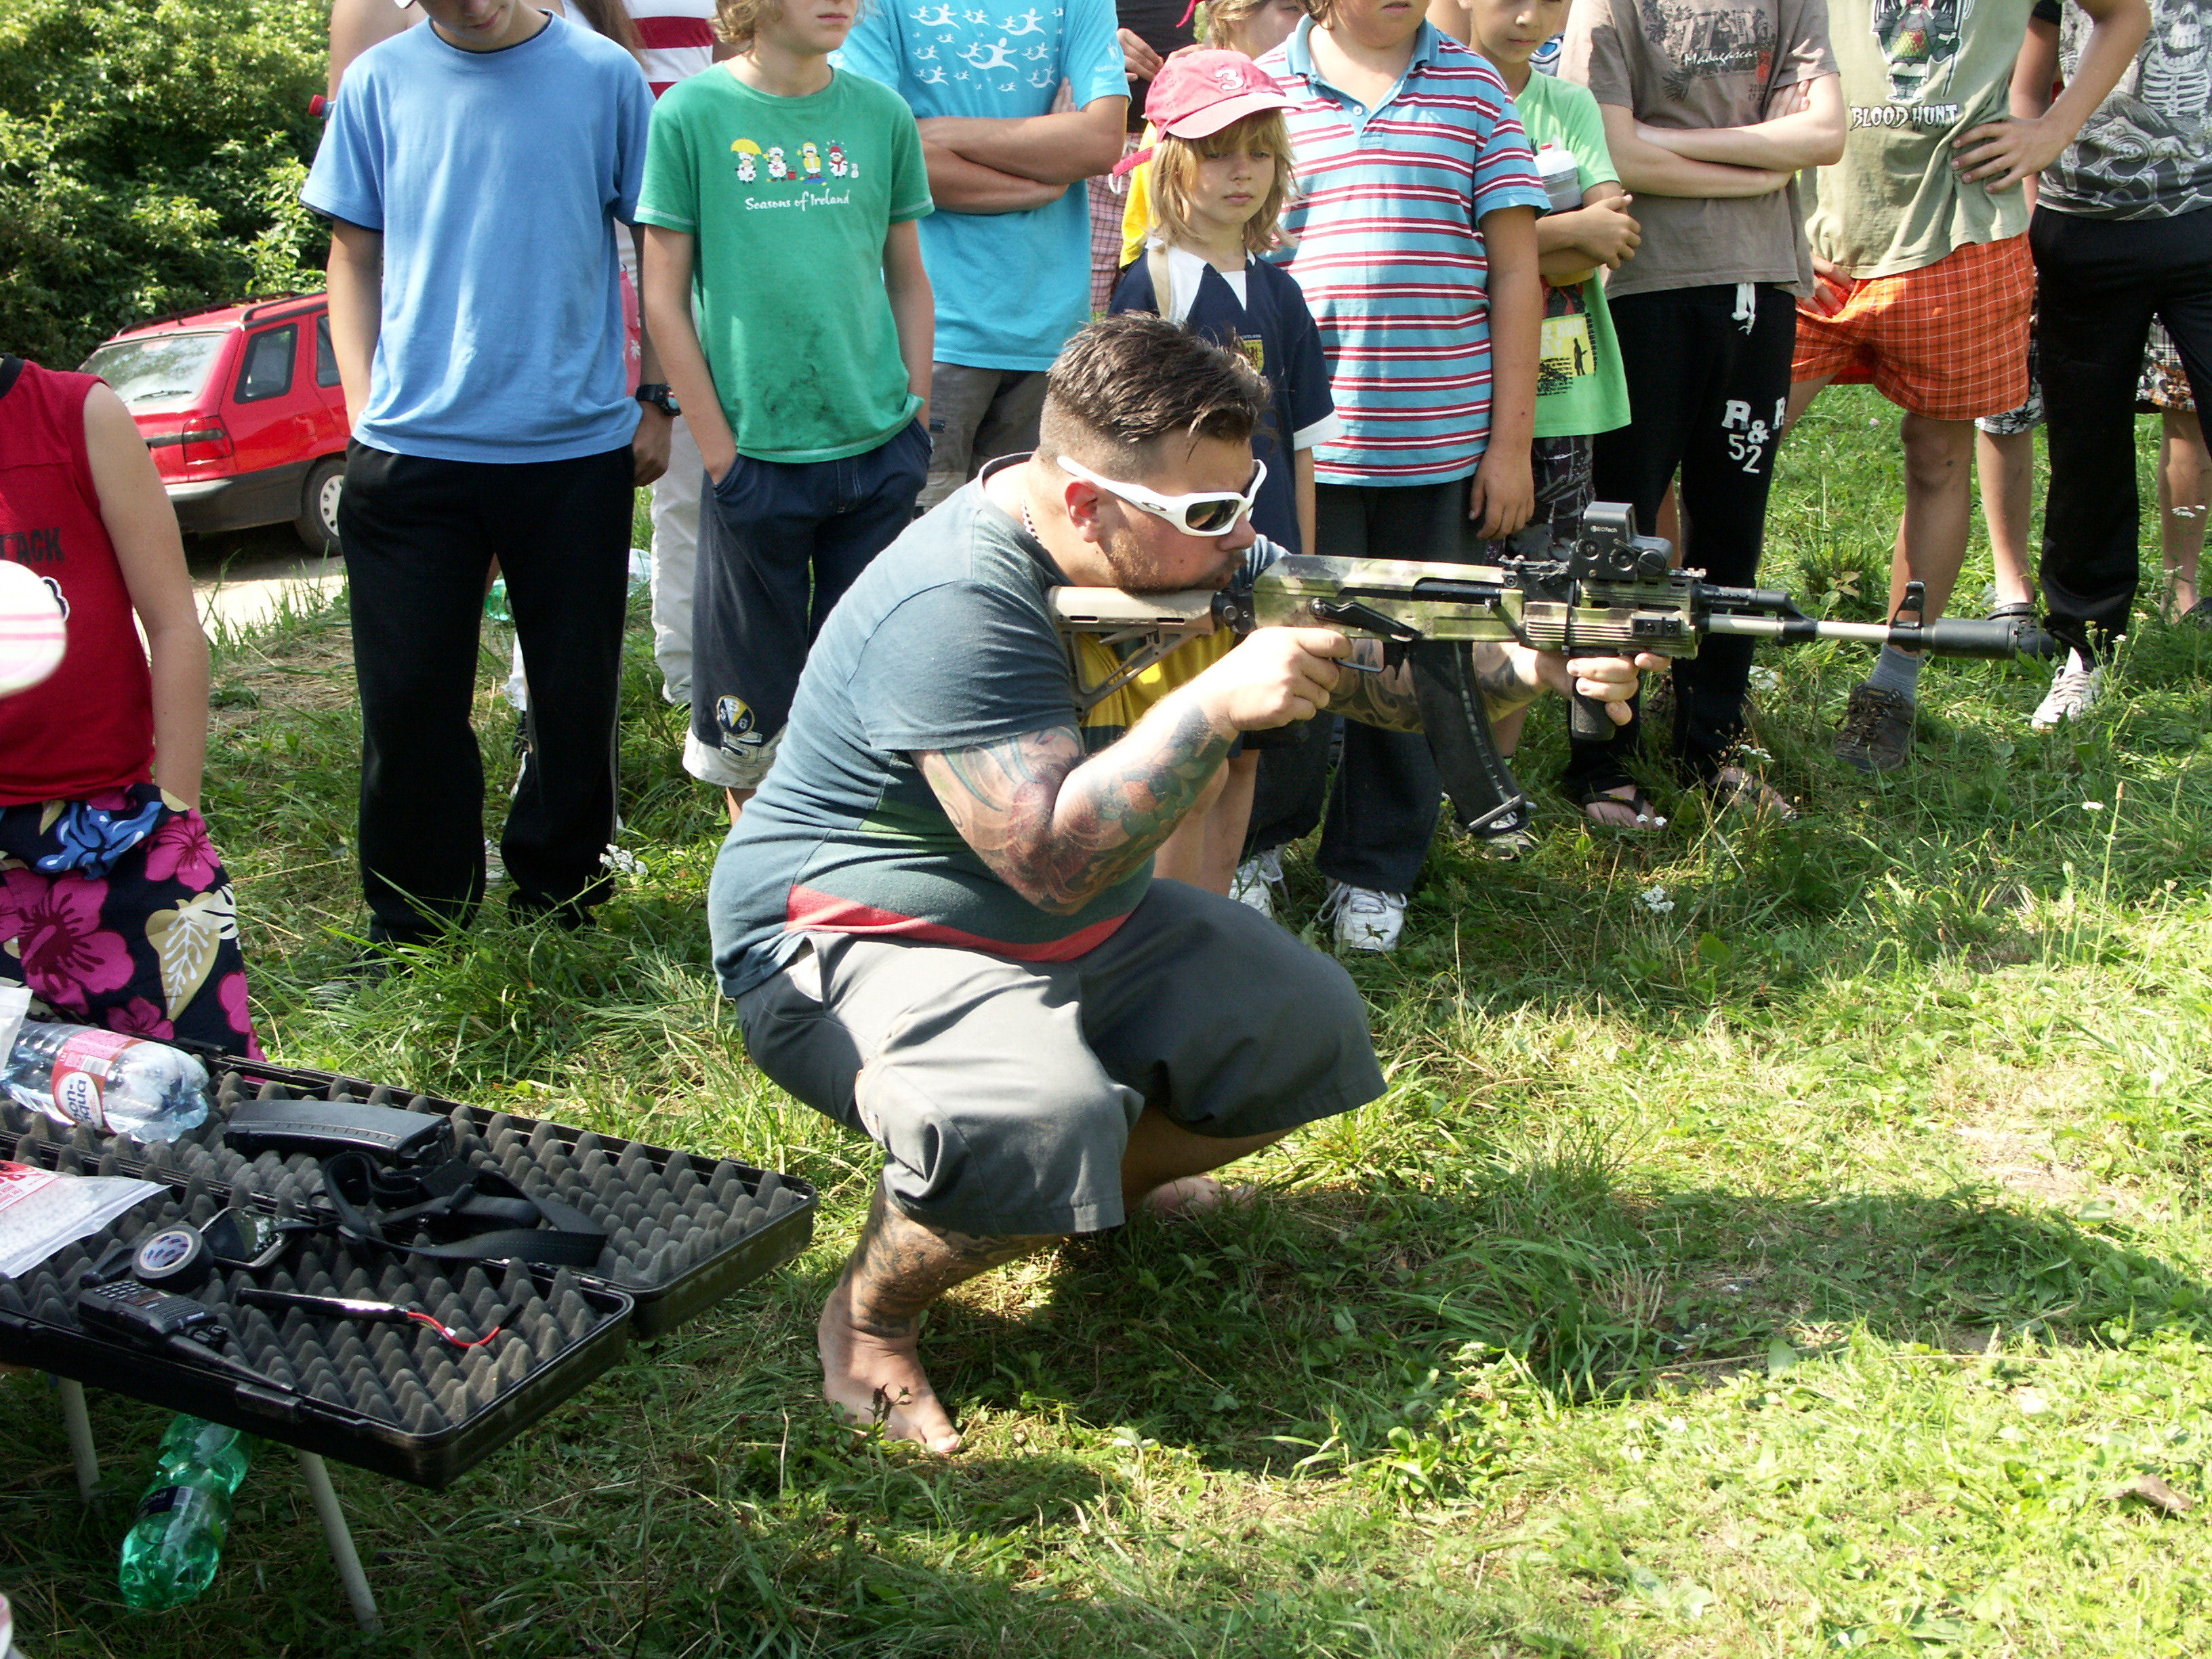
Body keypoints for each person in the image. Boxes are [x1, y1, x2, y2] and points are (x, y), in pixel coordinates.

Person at [711, 316, 1657, 1452]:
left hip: (1064, 918)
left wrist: (1526, 659)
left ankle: (1080, 1194)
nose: (1244, 532)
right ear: (1084, 504)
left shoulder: (1198, 556)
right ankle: (871, 1314)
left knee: (1301, 1028)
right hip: (851, 931)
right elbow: (1049, 864)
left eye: (1244, 495)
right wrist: (1211, 706)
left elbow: (1374, 669)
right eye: (1209, 513)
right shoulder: (951, 604)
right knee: (1034, 1123)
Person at [305, 0, 668, 963]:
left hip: (573, 446)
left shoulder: (604, 76)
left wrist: (660, 396)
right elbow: (353, 253)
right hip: (409, 452)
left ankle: (563, 898)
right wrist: (361, 415)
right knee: (408, 703)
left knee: (574, 693)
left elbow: (661, 244)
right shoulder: (379, 82)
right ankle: (416, 925)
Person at [1780, 0, 2144, 775]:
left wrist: (2050, 132)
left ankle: (1893, 685)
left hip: (1960, 236)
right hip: (1807, 232)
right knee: (1733, 448)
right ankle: (1699, 673)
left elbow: (2124, 14)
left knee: (1937, 458)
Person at [1257, 0, 1549, 951]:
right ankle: (1258, 843)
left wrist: (1509, 447)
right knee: (1297, 651)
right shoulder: (1267, 89)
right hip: (1307, 457)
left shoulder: (1475, 90)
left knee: (1430, 662)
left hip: (1443, 452)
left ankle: (1375, 868)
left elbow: (1517, 273)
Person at [638, 0, 937, 825]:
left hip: (878, 448)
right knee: (748, 710)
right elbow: (662, 299)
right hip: (754, 459)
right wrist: (720, 451)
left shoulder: (881, 114)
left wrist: (913, 419)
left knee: (870, 686)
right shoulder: (691, 113)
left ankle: (856, 872)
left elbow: (909, 277)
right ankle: (765, 887)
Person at [1557, 0, 1843, 823]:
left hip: (1761, 284)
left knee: (1732, 527)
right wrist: (1759, 165)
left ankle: (1713, 742)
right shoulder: (1608, 7)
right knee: (1618, 525)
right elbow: (1612, 152)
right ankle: (1601, 757)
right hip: (1643, 288)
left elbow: (1824, 134)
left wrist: (1667, 144)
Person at [1099, 52, 1337, 895]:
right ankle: (1167, 915)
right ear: (1167, 162)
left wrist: (1302, 564)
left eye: (1260, 152)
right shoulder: (1146, 289)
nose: (1242, 171)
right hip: (1181, 571)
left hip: (1267, 568)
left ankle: (1223, 906)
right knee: (1186, 750)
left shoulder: (1283, 296)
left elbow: (1302, 447)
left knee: (1247, 753)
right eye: (1217, 151)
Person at [0, 354, 262, 1057]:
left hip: (118, 830)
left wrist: (176, 812)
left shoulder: (76, 415)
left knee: (203, 1089)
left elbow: (173, 623)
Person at [1454, 0, 1643, 836]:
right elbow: (1458, 250)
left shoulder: (1568, 104)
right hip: (1462, 393)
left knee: (1539, 592)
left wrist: (1524, 244)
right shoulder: (1450, 96)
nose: (1529, 15)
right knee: (1459, 591)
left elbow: (1614, 234)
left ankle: (1495, 792)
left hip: (1565, 398)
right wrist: (1565, 233)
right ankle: (1434, 779)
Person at [833, 0, 1130, 512]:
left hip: (1051, 341)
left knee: (1028, 547)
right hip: (924, 335)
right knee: (919, 544)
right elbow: (879, 150)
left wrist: (940, 131)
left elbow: (1101, 142)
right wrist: (1041, 180)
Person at [2018, 0, 2209, 729]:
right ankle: (2084, 648)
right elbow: (2028, 82)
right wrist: (2032, 211)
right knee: (2086, 448)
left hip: (2205, 217)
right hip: (2083, 230)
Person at [1113, 0, 1311, 274]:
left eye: (1260, 154)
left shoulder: (1278, 289)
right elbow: (1142, 239)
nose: (1310, 21)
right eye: (1216, 154)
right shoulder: (1183, 104)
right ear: (1236, 13)